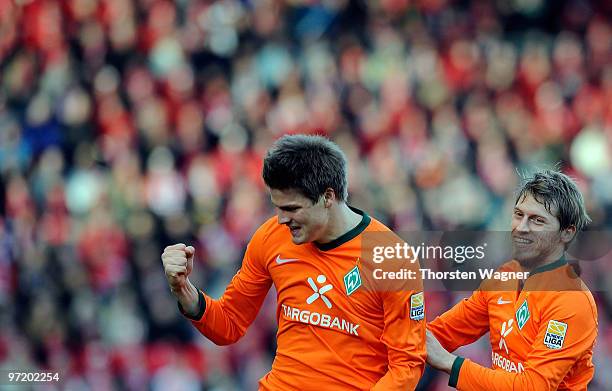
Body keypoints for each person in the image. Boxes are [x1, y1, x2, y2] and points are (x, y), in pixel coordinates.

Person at [161, 134, 426, 390]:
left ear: (328, 197)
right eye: (277, 207)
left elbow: (406, 365)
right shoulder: (271, 237)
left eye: (291, 209)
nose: (281, 219)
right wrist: (184, 290)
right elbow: (229, 324)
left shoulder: (391, 258)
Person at [426, 170, 598, 390]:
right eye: (518, 214)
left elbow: (533, 386)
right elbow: (440, 334)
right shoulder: (503, 277)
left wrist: (451, 364)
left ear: (567, 233)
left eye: (537, 220)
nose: (521, 227)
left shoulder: (571, 301)